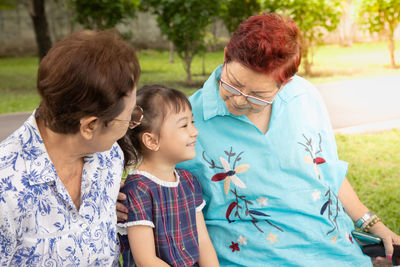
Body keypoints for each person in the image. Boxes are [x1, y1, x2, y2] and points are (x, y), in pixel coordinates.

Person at [117, 13, 400, 266]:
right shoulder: (186, 123)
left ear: (284, 83)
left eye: (258, 96)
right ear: (227, 55)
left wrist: (373, 224)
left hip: (334, 252)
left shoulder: (305, 98)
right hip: (250, 257)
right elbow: (155, 182)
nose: (239, 100)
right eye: (234, 84)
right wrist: (122, 201)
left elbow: (328, 173)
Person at [0, 29, 143, 266]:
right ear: (90, 126)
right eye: (130, 116)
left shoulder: (110, 157)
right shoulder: (7, 190)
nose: (130, 125)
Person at [117, 85, 219, 267]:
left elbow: (202, 241)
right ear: (152, 140)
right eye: (184, 125)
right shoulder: (138, 190)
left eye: (193, 122)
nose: (194, 131)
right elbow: (145, 260)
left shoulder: (188, 181)